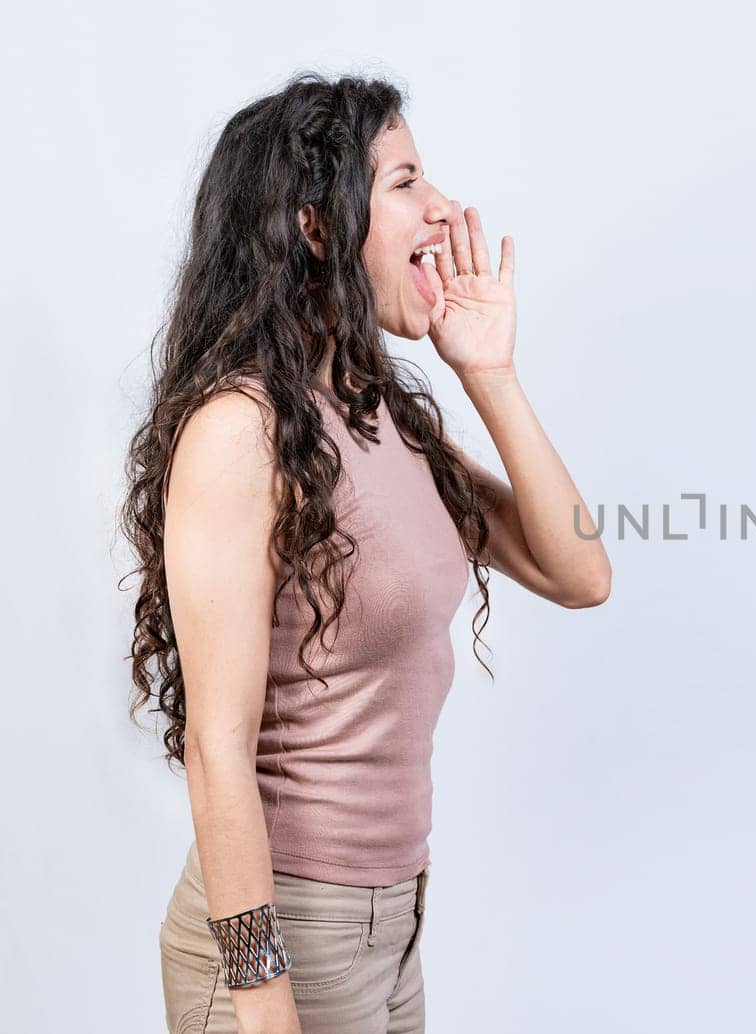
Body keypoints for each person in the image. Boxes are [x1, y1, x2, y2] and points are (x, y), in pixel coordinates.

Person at [118, 72, 611, 1033]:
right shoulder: (242, 430)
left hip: (394, 926)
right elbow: (218, 752)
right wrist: (262, 1001)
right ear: (314, 227)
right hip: (279, 936)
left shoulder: (382, 414)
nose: (444, 208)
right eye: (406, 182)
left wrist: (490, 373)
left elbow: (579, 572)